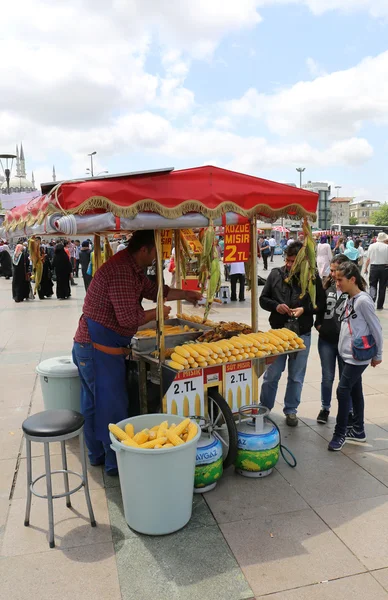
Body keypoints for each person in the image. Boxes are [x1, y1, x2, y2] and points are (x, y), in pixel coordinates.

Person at [72, 230, 202, 475]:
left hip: (93, 347)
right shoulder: (121, 272)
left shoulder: (132, 267)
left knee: (93, 404)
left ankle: (97, 455)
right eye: (155, 252)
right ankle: (114, 464)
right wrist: (158, 313)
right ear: (144, 250)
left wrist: (187, 294)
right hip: (97, 349)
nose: (157, 258)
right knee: (112, 407)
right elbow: (128, 319)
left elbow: (154, 291)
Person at [259, 241, 325, 426]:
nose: (289, 265)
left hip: (301, 334)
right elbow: (263, 299)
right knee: (271, 374)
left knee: (296, 376)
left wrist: (305, 309)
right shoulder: (275, 274)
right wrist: (276, 306)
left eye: (293, 261)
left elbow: (321, 304)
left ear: (302, 262)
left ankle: (291, 410)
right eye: (287, 260)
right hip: (278, 334)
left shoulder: (312, 279)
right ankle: (264, 408)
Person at [328, 262, 383, 451]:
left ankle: (340, 433)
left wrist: (378, 354)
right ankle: (358, 430)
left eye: (340, 280)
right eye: (335, 280)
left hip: (357, 356)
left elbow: (377, 328)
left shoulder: (362, 301)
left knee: (342, 391)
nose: (337, 284)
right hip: (346, 354)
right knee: (354, 390)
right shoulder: (349, 298)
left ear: (352, 279)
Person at [314, 255, 349, 424]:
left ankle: (347, 410)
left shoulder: (352, 288)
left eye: (336, 270)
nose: (333, 274)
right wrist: (319, 325)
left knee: (345, 378)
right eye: (332, 270)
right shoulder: (326, 285)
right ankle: (325, 408)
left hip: (346, 342)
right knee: (327, 377)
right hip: (326, 341)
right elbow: (318, 309)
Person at [364, 232, 388, 311]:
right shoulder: (386, 247)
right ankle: (380, 305)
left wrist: (365, 268)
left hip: (373, 267)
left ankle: (371, 302)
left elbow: (368, 259)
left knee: (373, 286)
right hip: (384, 268)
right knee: (382, 287)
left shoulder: (371, 246)